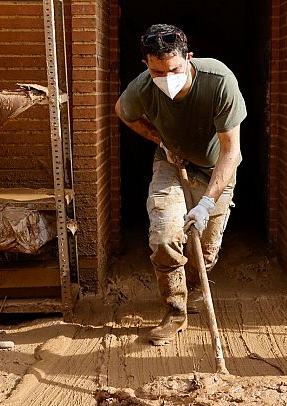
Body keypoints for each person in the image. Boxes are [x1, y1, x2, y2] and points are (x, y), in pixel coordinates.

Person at [115, 24, 247, 346]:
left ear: (188, 57)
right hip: (171, 164)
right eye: (158, 71)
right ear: (146, 64)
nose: (167, 77)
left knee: (205, 249)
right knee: (163, 236)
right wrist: (159, 138)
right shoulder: (144, 87)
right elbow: (123, 111)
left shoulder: (219, 81)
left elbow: (231, 152)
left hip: (216, 169)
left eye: (174, 68)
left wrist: (205, 204)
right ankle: (175, 310)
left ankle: (191, 287)